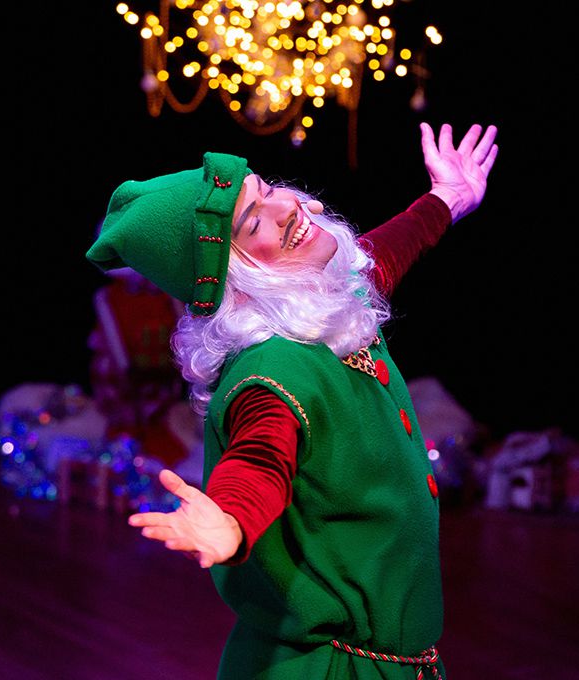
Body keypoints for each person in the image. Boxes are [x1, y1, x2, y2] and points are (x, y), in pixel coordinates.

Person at [86, 121, 498, 679]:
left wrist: (446, 198)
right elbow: (260, 456)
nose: (289, 208)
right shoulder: (271, 370)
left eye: (267, 189)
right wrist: (231, 521)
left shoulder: (323, 305)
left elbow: (382, 255)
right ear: (234, 281)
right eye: (254, 221)